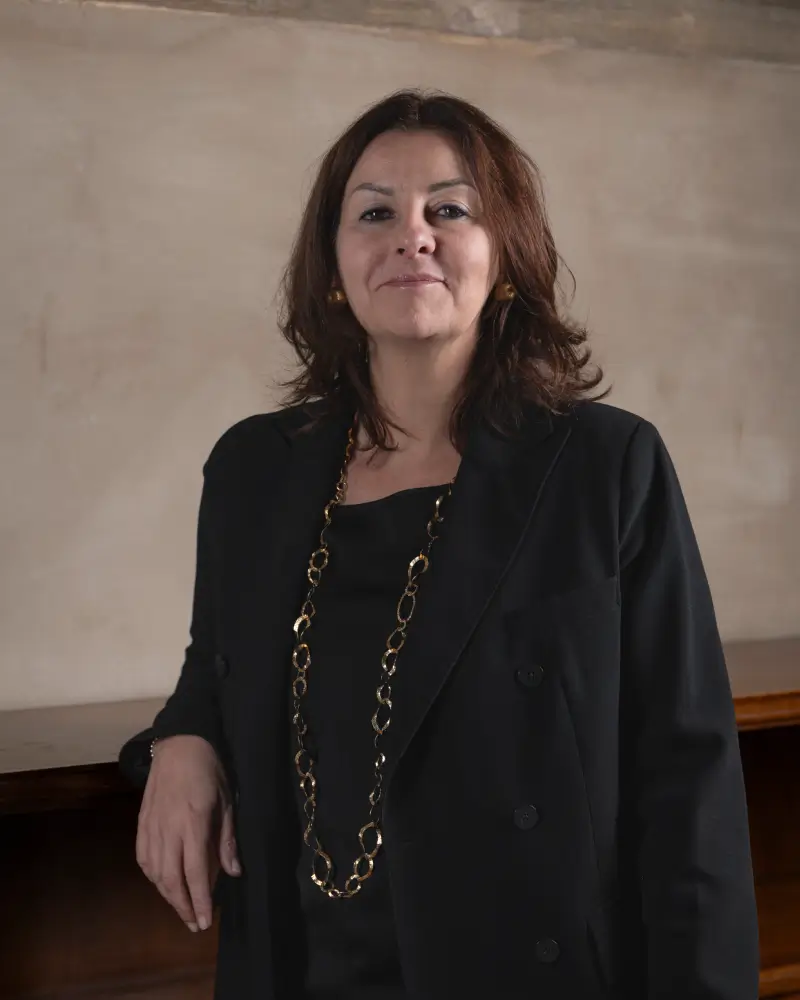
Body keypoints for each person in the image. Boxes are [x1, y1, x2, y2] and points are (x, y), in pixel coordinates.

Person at [119, 89, 760, 999]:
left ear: (505, 258)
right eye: (375, 212)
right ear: (334, 264)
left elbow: (687, 781)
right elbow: (215, 663)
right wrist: (179, 739)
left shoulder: (605, 465)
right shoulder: (253, 470)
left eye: (449, 210)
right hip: (302, 971)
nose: (411, 237)